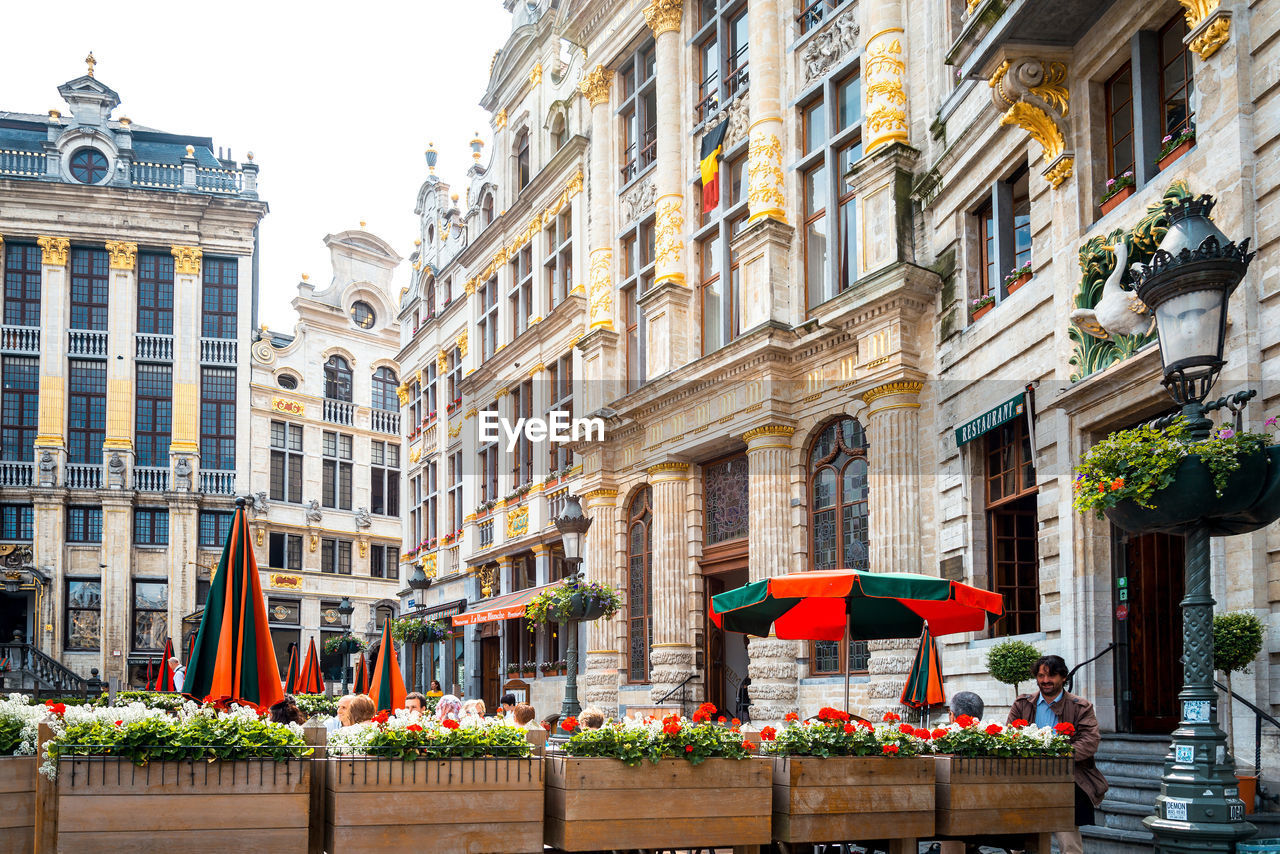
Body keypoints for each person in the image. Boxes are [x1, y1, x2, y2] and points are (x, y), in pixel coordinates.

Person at [1007, 655, 1108, 854]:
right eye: (1041, 675)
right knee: (1020, 839)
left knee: (1069, 841)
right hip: (1027, 778)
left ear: (1063, 677)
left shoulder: (1081, 706)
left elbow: (1090, 741)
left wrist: (1060, 757)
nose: (1045, 681)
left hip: (1066, 778)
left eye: (1051, 675)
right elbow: (1008, 736)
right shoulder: (1022, 704)